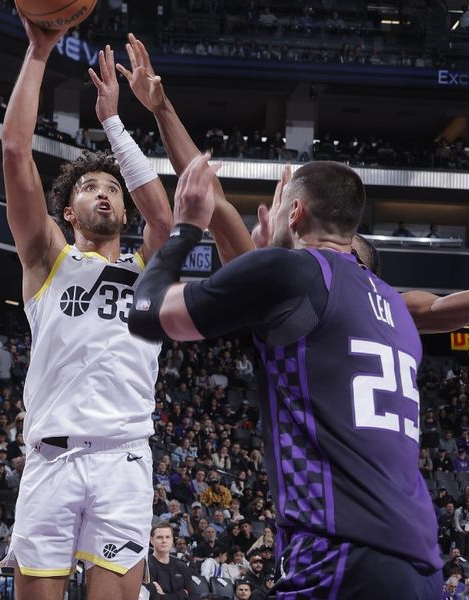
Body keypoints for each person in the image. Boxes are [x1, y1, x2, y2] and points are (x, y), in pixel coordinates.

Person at [128, 157, 442, 597]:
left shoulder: (292, 270)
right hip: (422, 565)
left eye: (279, 207)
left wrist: (187, 227)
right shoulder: (393, 305)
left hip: (342, 554)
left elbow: (147, 313)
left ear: (295, 213)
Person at [0, 16, 173, 600]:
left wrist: (114, 125)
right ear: (68, 213)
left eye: (113, 188)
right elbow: (14, 149)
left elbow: (167, 221)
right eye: (89, 188)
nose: (104, 193)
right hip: (50, 460)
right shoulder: (47, 258)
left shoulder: (147, 268)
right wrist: (38, 52)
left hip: (122, 462)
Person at [144, 522, 193, 599]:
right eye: (159, 537)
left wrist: (165, 596)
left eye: (167, 537)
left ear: (172, 540)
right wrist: (183, 593)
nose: (164, 541)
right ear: (151, 540)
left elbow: (193, 595)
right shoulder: (146, 566)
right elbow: (154, 598)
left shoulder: (181, 566)